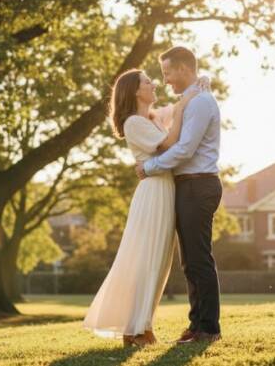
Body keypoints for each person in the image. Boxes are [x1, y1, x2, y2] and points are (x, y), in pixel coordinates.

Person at [82, 67, 207, 347]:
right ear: (136, 90)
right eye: (148, 81)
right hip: (153, 193)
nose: (155, 85)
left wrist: (196, 87)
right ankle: (135, 329)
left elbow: (172, 110)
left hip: (164, 191)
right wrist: (185, 103)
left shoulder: (149, 118)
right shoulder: (133, 123)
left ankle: (143, 326)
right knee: (147, 260)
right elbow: (169, 142)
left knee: (159, 262)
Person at [136, 46, 222, 344]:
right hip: (189, 186)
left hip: (198, 185)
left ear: (185, 69)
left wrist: (150, 167)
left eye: (168, 72)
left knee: (198, 259)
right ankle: (197, 324)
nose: (166, 80)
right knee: (191, 261)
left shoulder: (199, 104)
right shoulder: (190, 101)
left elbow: (185, 150)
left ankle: (208, 328)